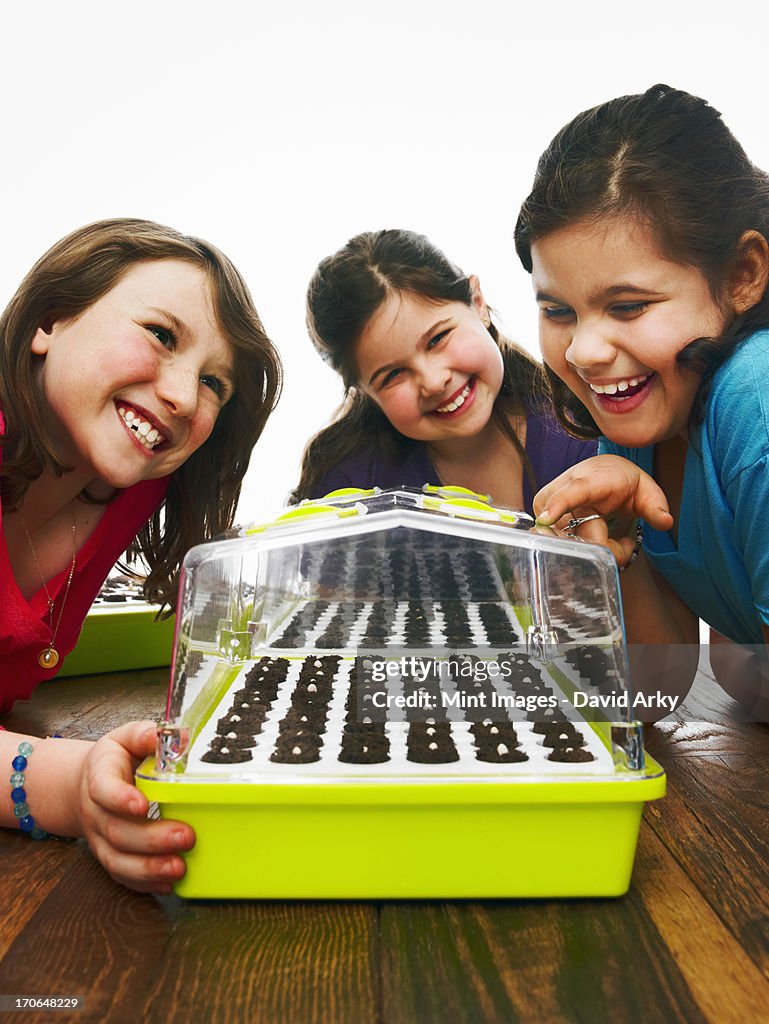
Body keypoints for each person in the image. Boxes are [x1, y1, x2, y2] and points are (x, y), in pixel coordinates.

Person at [1, 218, 281, 891]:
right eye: (160, 335)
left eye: (216, 384)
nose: (185, 397)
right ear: (50, 320)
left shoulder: (130, 493)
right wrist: (68, 785)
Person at [514, 84, 769, 715]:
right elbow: (656, 693)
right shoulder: (644, 420)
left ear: (742, 276)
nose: (584, 351)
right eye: (557, 310)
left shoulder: (755, 401)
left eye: (627, 306)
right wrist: (614, 552)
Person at [292, 229, 595, 512]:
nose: (435, 382)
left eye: (437, 339)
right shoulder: (349, 491)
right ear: (363, 391)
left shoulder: (584, 428)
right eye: (393, 375)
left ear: (478, 303)